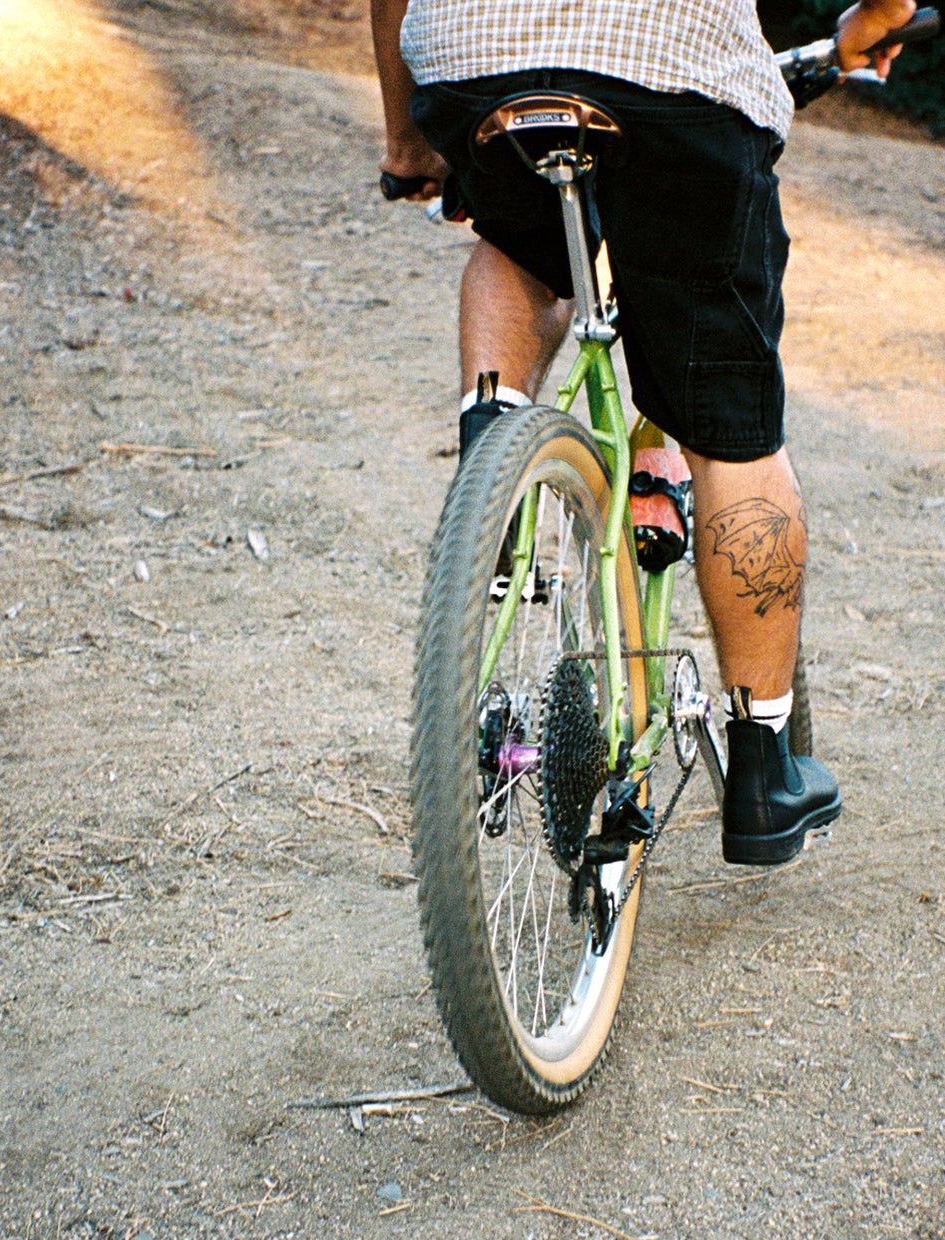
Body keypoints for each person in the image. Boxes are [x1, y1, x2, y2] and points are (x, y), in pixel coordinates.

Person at [372, 0, 916, 865]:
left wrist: (407, 144)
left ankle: (494, 464)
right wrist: (872, 19)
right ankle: (764, 772)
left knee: (522, 244)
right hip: (673, 74)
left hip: (476, 63)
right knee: (728, 429)